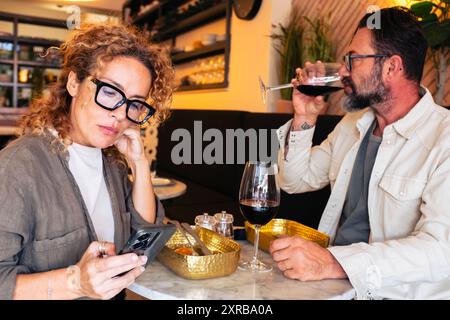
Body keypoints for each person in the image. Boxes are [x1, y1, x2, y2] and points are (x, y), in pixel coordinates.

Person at [270, 7, 450, 299]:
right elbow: (295, 180)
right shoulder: (354, 125)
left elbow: (441, 250)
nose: (343, 71)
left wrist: (332, 262)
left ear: (391, 67)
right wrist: (304, 116)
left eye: (352, 59)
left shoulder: (444, 139)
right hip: (336, 286)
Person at [0, 23, 174, 300]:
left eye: (135, 103)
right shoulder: (18, 166)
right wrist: (74, 283)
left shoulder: (113, 163)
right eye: (109, 91)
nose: (120, 114)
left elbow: (144, 237)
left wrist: (139, 164)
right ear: (73, 83)